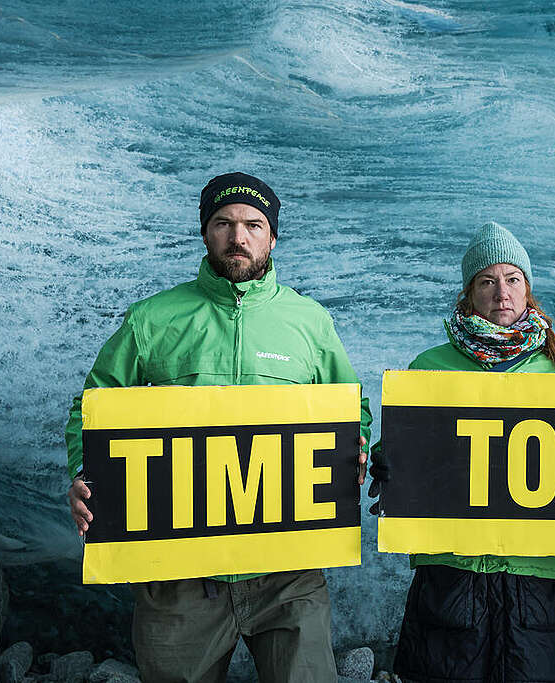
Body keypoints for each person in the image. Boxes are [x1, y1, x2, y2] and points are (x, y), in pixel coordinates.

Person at [65, 172, 372, 683]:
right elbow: (92, 408)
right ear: (205, 233)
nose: (239, 236)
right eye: (224, 223)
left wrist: (354, 448)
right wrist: (83, 469)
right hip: (179, 574)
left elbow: (350, 408)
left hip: (287, 571)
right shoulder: (151, 320)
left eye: (254, 224)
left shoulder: (310, 322)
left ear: (272, 237)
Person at [368, 222, 555, 683]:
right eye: (487, 281)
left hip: (533, 581)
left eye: (512, 279)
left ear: (528, 289)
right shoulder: (428, 367)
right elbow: (409, 449)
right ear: (469, 294)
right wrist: (389, 462)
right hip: (450, 576)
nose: (502, 292)